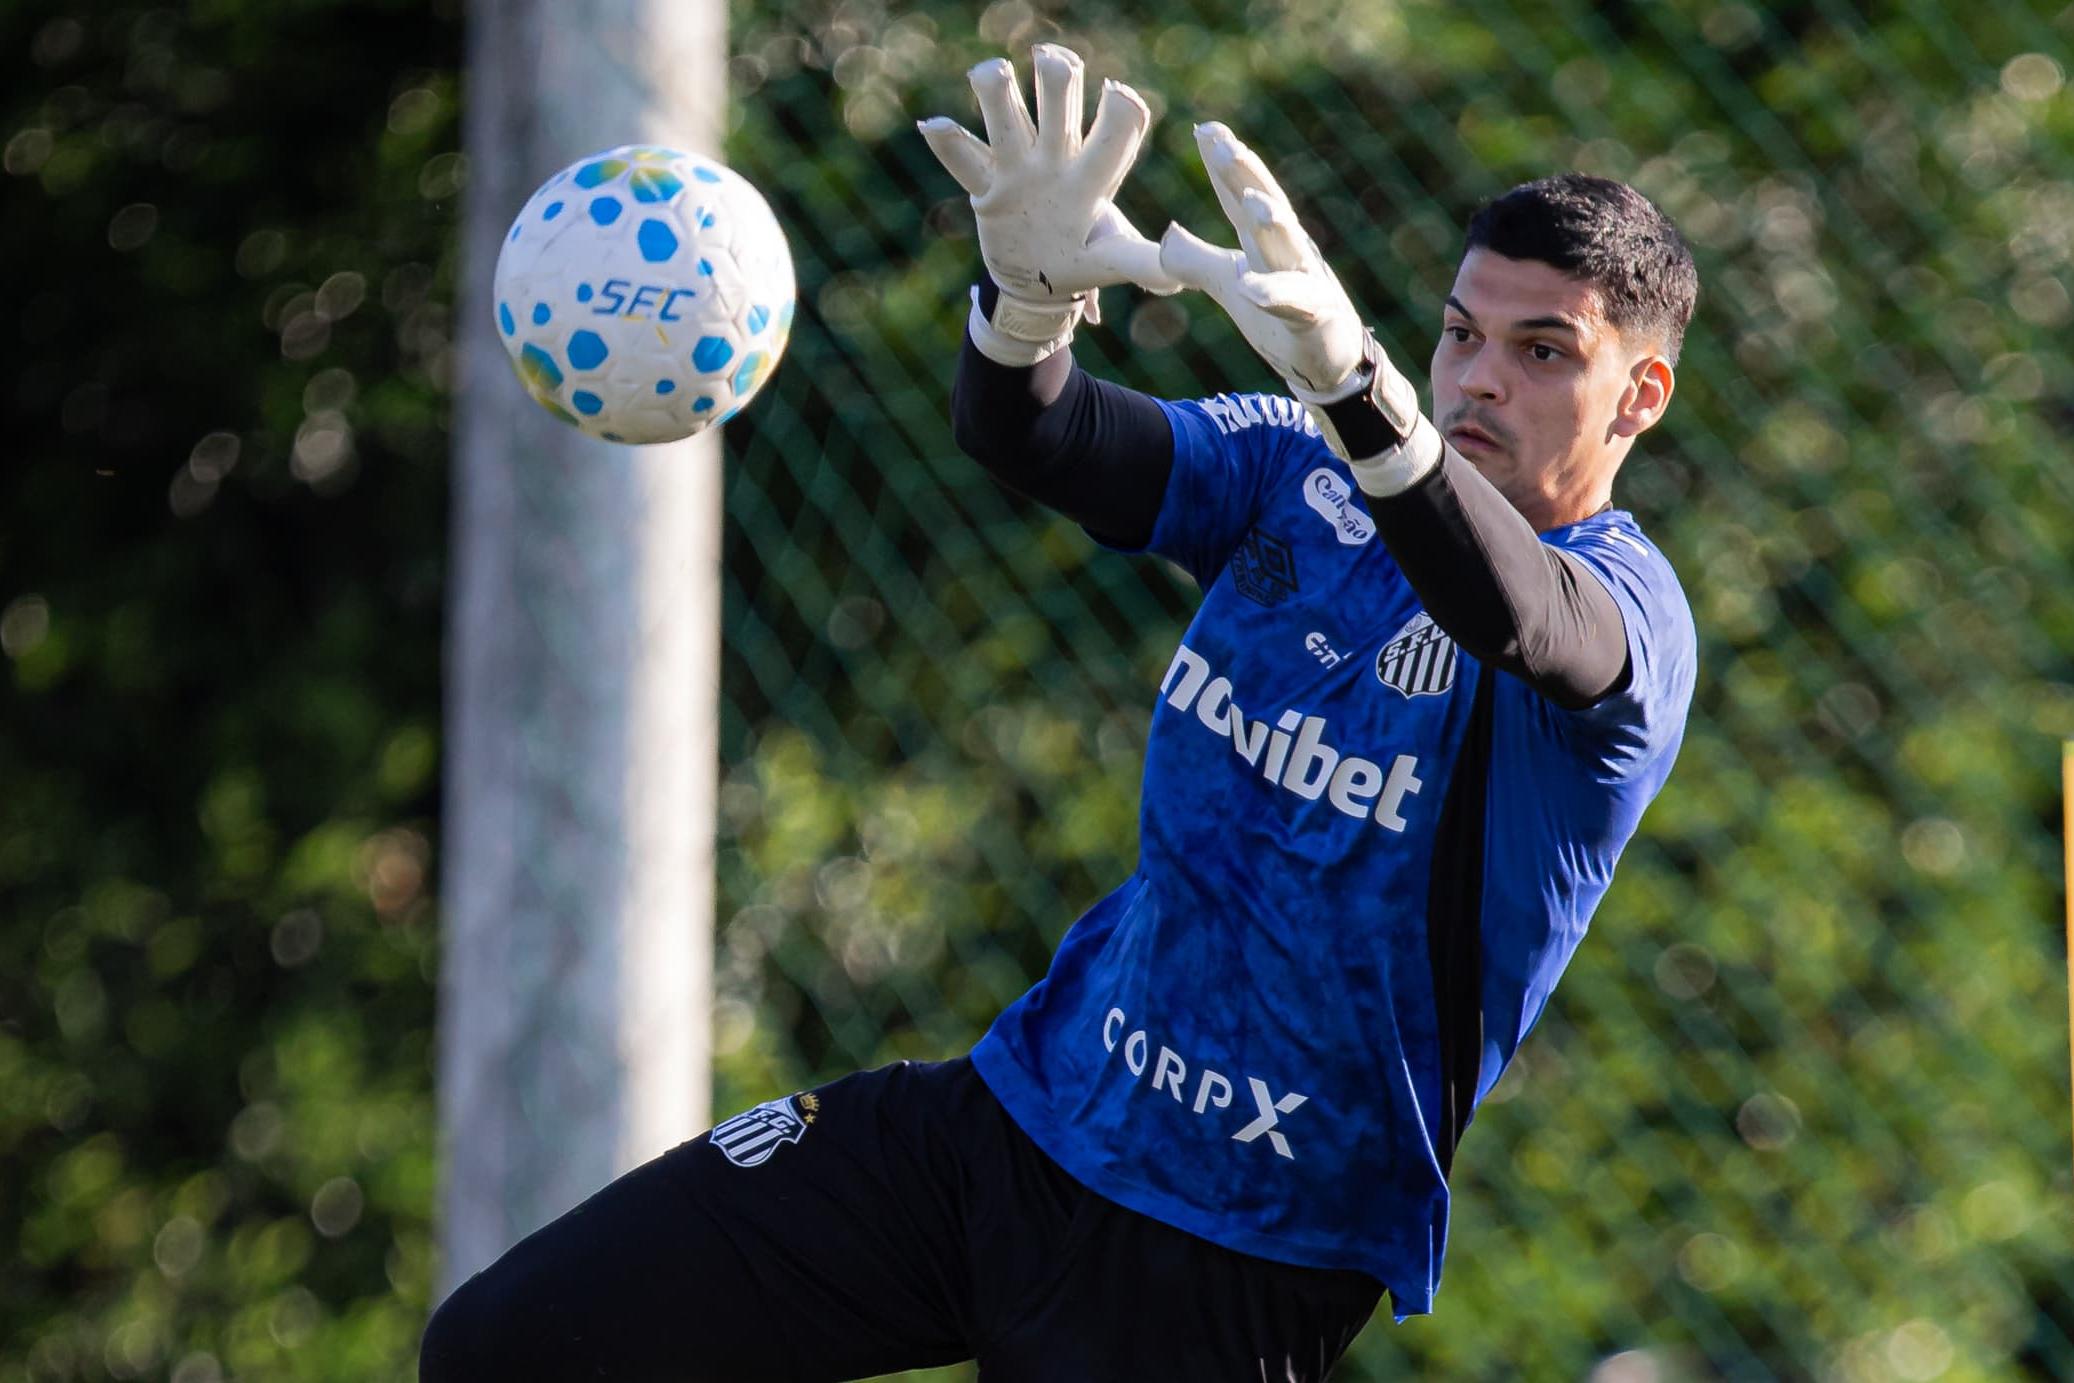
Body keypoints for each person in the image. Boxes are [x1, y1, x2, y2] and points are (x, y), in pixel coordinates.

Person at [418, 43, 1698, 1383]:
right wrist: (1022, 302)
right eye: (1457, 333)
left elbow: (1511, 616)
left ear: (1639, 395)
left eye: (1542, 351)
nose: (1479, 377)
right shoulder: (1295, 478)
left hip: (1230, 1258)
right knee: (509, 1346)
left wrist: (1356, 386)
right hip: (1009, 1124)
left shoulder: (1625, 618)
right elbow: (1033, 435)